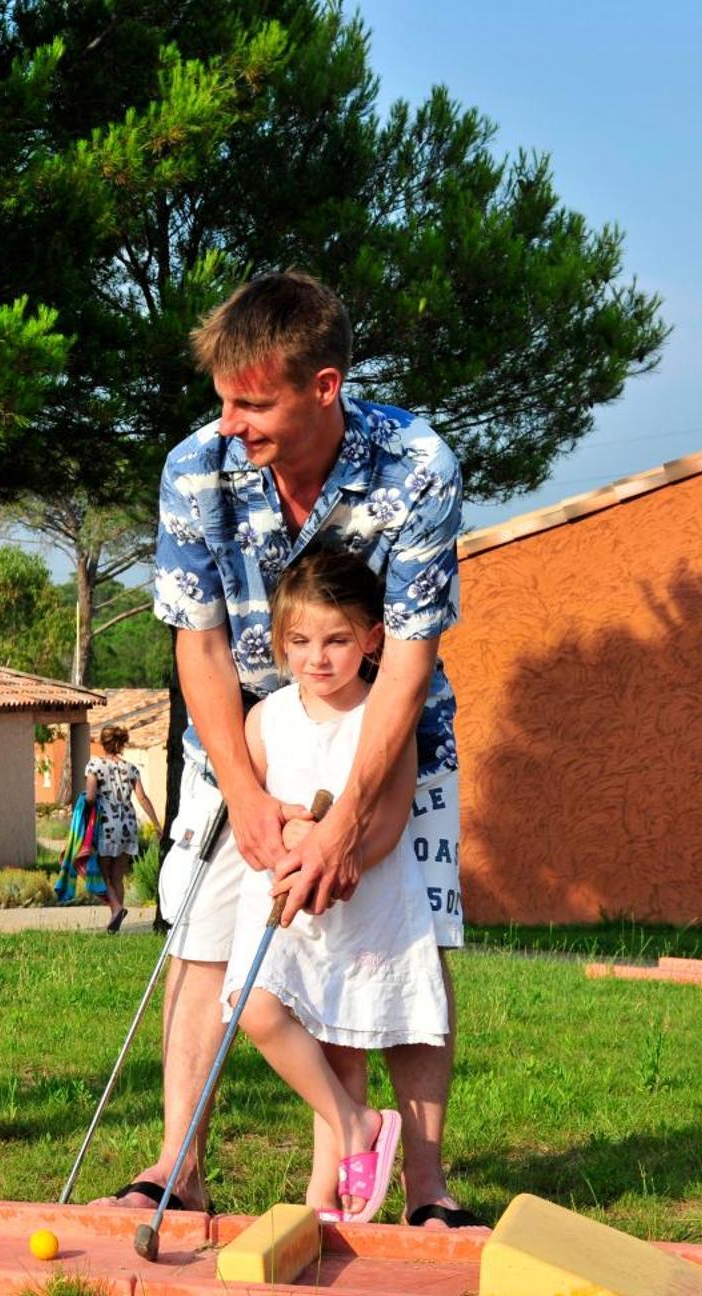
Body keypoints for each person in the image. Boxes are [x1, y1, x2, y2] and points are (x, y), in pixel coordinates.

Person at [96, 271, 482, 1229]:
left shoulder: (421, 467)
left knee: (407, 944)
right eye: (223, 398)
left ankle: (427, 1188)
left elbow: (409, 658)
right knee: (201, 938)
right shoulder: (197, 466)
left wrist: (349, 817)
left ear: (324, 387)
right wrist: (248, 791)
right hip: (245, 735)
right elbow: (201, 640)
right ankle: (177, 1169)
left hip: (388, 735)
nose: (230, 422)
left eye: (253, 402)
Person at [223, 548, 446, 1221]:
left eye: (337, 639)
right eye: (299, 641)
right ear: (279, 640)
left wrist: (346, 862)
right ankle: (359, 1126)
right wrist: (287, 840)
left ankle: (325, 1195)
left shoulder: (383, 716)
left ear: (373, 637)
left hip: (357, 897)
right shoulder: (266, 718)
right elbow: (254, 814)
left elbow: (388, 817)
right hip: (282, 898)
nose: (316, 657)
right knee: (254, 1007)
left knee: (341, 1046)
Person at [84, 725, 162, 933]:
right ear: (122, 743)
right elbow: (142, 798)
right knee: (117, 877)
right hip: (128, 825)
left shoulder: (95, 765)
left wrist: (83, 817)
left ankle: (116, 908)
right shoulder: (131, 768)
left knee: (102, 874)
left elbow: (90, 797)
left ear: (103, 743)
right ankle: (115, 922)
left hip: (106, 826)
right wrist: (156, 824)